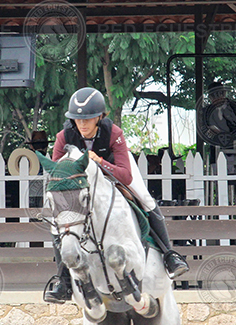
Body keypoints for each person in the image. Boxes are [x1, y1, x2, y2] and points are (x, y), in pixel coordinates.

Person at [43, 87, 189, 304]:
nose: (82, 124)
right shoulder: (63, 137)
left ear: (99, 117)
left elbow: (125, 175)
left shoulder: (114, 133)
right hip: (81, 182)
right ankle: (63, 281)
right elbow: (58, 174)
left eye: (87, 119)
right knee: (59, 219)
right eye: (77, 119)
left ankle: (170, 256)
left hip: (113, 172)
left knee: (145, 199)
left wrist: (100, 162)